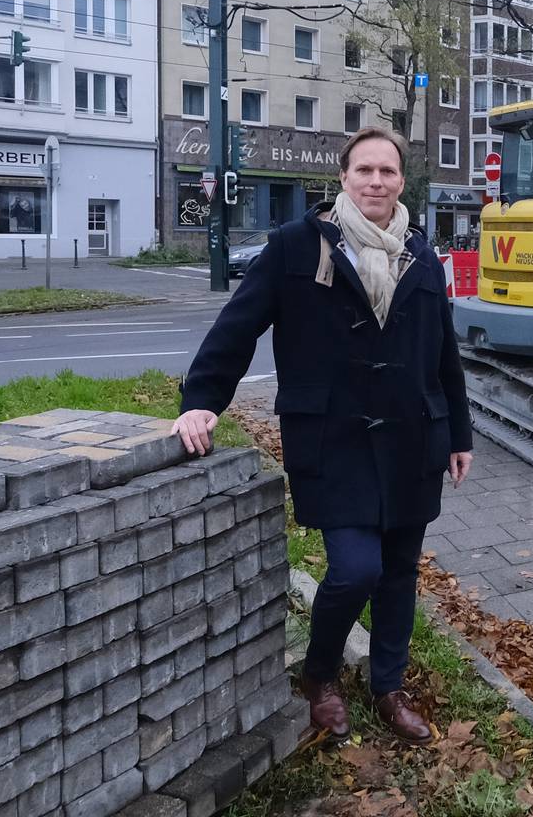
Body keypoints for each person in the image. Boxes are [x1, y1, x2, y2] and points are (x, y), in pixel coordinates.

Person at [176, 127, 474, 741]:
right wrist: (202, 402)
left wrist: (459, 433)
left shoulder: (421, 253)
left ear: (400, 182)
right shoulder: (295, 246)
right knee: (355, 569)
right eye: (364, 170)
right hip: (333, 440)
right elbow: (238, 327)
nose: (376, 182)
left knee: (398, 573)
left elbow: (443, 353)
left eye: (387, 172)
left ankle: (387, 687)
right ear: (343, 178)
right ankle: (320, 675)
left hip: (413, 437)